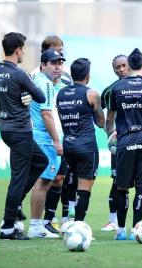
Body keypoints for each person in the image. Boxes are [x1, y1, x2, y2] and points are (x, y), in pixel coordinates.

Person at [0, 32, 48, 240]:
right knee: (18, 179)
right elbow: (41, 97)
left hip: (6, 128)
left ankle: (15, 205)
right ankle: (8, 226)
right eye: (23, 49)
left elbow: (9, 93)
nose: (24, 52)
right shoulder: (20, 73)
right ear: (17, 50)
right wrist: (28, 92)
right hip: (21, 131)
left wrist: (21, 95)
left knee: (41, 160)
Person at [106, 48, 142, 240]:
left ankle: (120, 230)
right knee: (141, 186)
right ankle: (136, 230)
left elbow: (110, 116)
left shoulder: (118, 88)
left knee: (122, 186)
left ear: (129, 66)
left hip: (125, 141)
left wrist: (110, 133)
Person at [57, 58, 105, 222]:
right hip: (86, 147)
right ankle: (78, 224)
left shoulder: (61, 94)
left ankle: (67, 219)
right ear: (88, 76)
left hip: (68, 146)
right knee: (84, 187)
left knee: (71, 180)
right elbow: (100, 123)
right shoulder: (91, 94)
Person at [27, 49, 66, 238]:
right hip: (45, 139)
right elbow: (46, 114)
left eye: (60, 63)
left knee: (40, 182)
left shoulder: (38, 80)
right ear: (43, 65)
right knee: (43, 182)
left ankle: (32, 224)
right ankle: (35, 226)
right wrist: (57, 141)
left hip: (36, 137)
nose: (57, 67)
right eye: (53, 63)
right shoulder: (47, 84)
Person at [100, 54, 130, 232]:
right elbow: (99, 110)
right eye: (117, 67)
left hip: (138, 140)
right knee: (117, 180)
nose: (121, 69)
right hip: (119, 144)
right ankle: (113, 220)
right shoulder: (109, 91)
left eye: (124, 65)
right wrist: (110, 134)